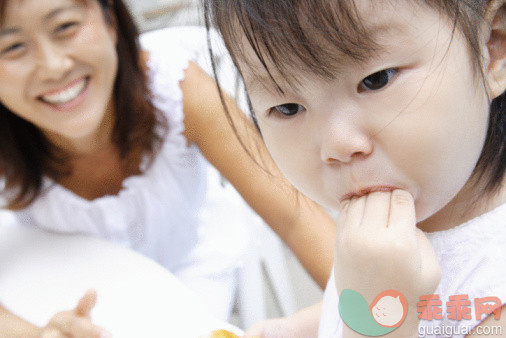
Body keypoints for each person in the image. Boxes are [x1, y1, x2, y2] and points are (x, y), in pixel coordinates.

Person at [0, 0, 337, 336]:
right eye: (13, 47)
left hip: (190, 269)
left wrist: (367, 301)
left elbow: (295, 217)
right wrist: (37, 334)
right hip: (66, 291)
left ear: (110, 18)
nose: (53, 66)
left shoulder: (176, 89)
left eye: (65, 27)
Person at [204, 0, 506, 336]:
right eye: (288, 108)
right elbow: (429, 308)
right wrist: (298, 327)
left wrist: (377, 317)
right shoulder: (391, 227)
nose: (337, 145)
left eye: (376, 80)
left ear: (493, 47)